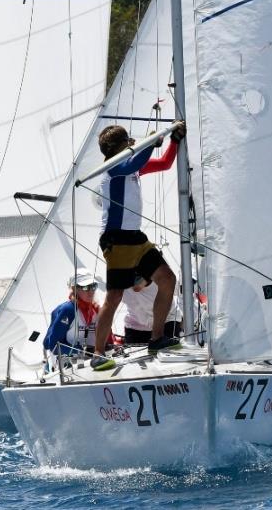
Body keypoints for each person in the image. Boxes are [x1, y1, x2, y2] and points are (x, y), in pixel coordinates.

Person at [92, 120, 187, 370]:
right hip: (116, 239)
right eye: (127, 143)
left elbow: (164, 163)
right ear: (119, 147)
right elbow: (134, 161)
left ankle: (156, 339)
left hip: (135, 237)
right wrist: (151, 143)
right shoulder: (112, 168)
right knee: (114, 296)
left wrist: (174, 140)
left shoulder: (132, 169)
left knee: (167, 279)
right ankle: (98, 353)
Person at [44, 271, 101, 357]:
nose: (91, 291)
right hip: (67, 363)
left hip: (93, 357)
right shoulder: (68, 309)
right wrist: (81, 351)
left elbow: (108, 340)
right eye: (86, 287)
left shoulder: (97, 309)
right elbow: (54, 346)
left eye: (93, 286)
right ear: (75, 289)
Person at [120, 276, 183, 344]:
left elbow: (184, 293)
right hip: (135, 327)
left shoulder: (163, 277)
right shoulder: (119, 286)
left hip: (167, 323)